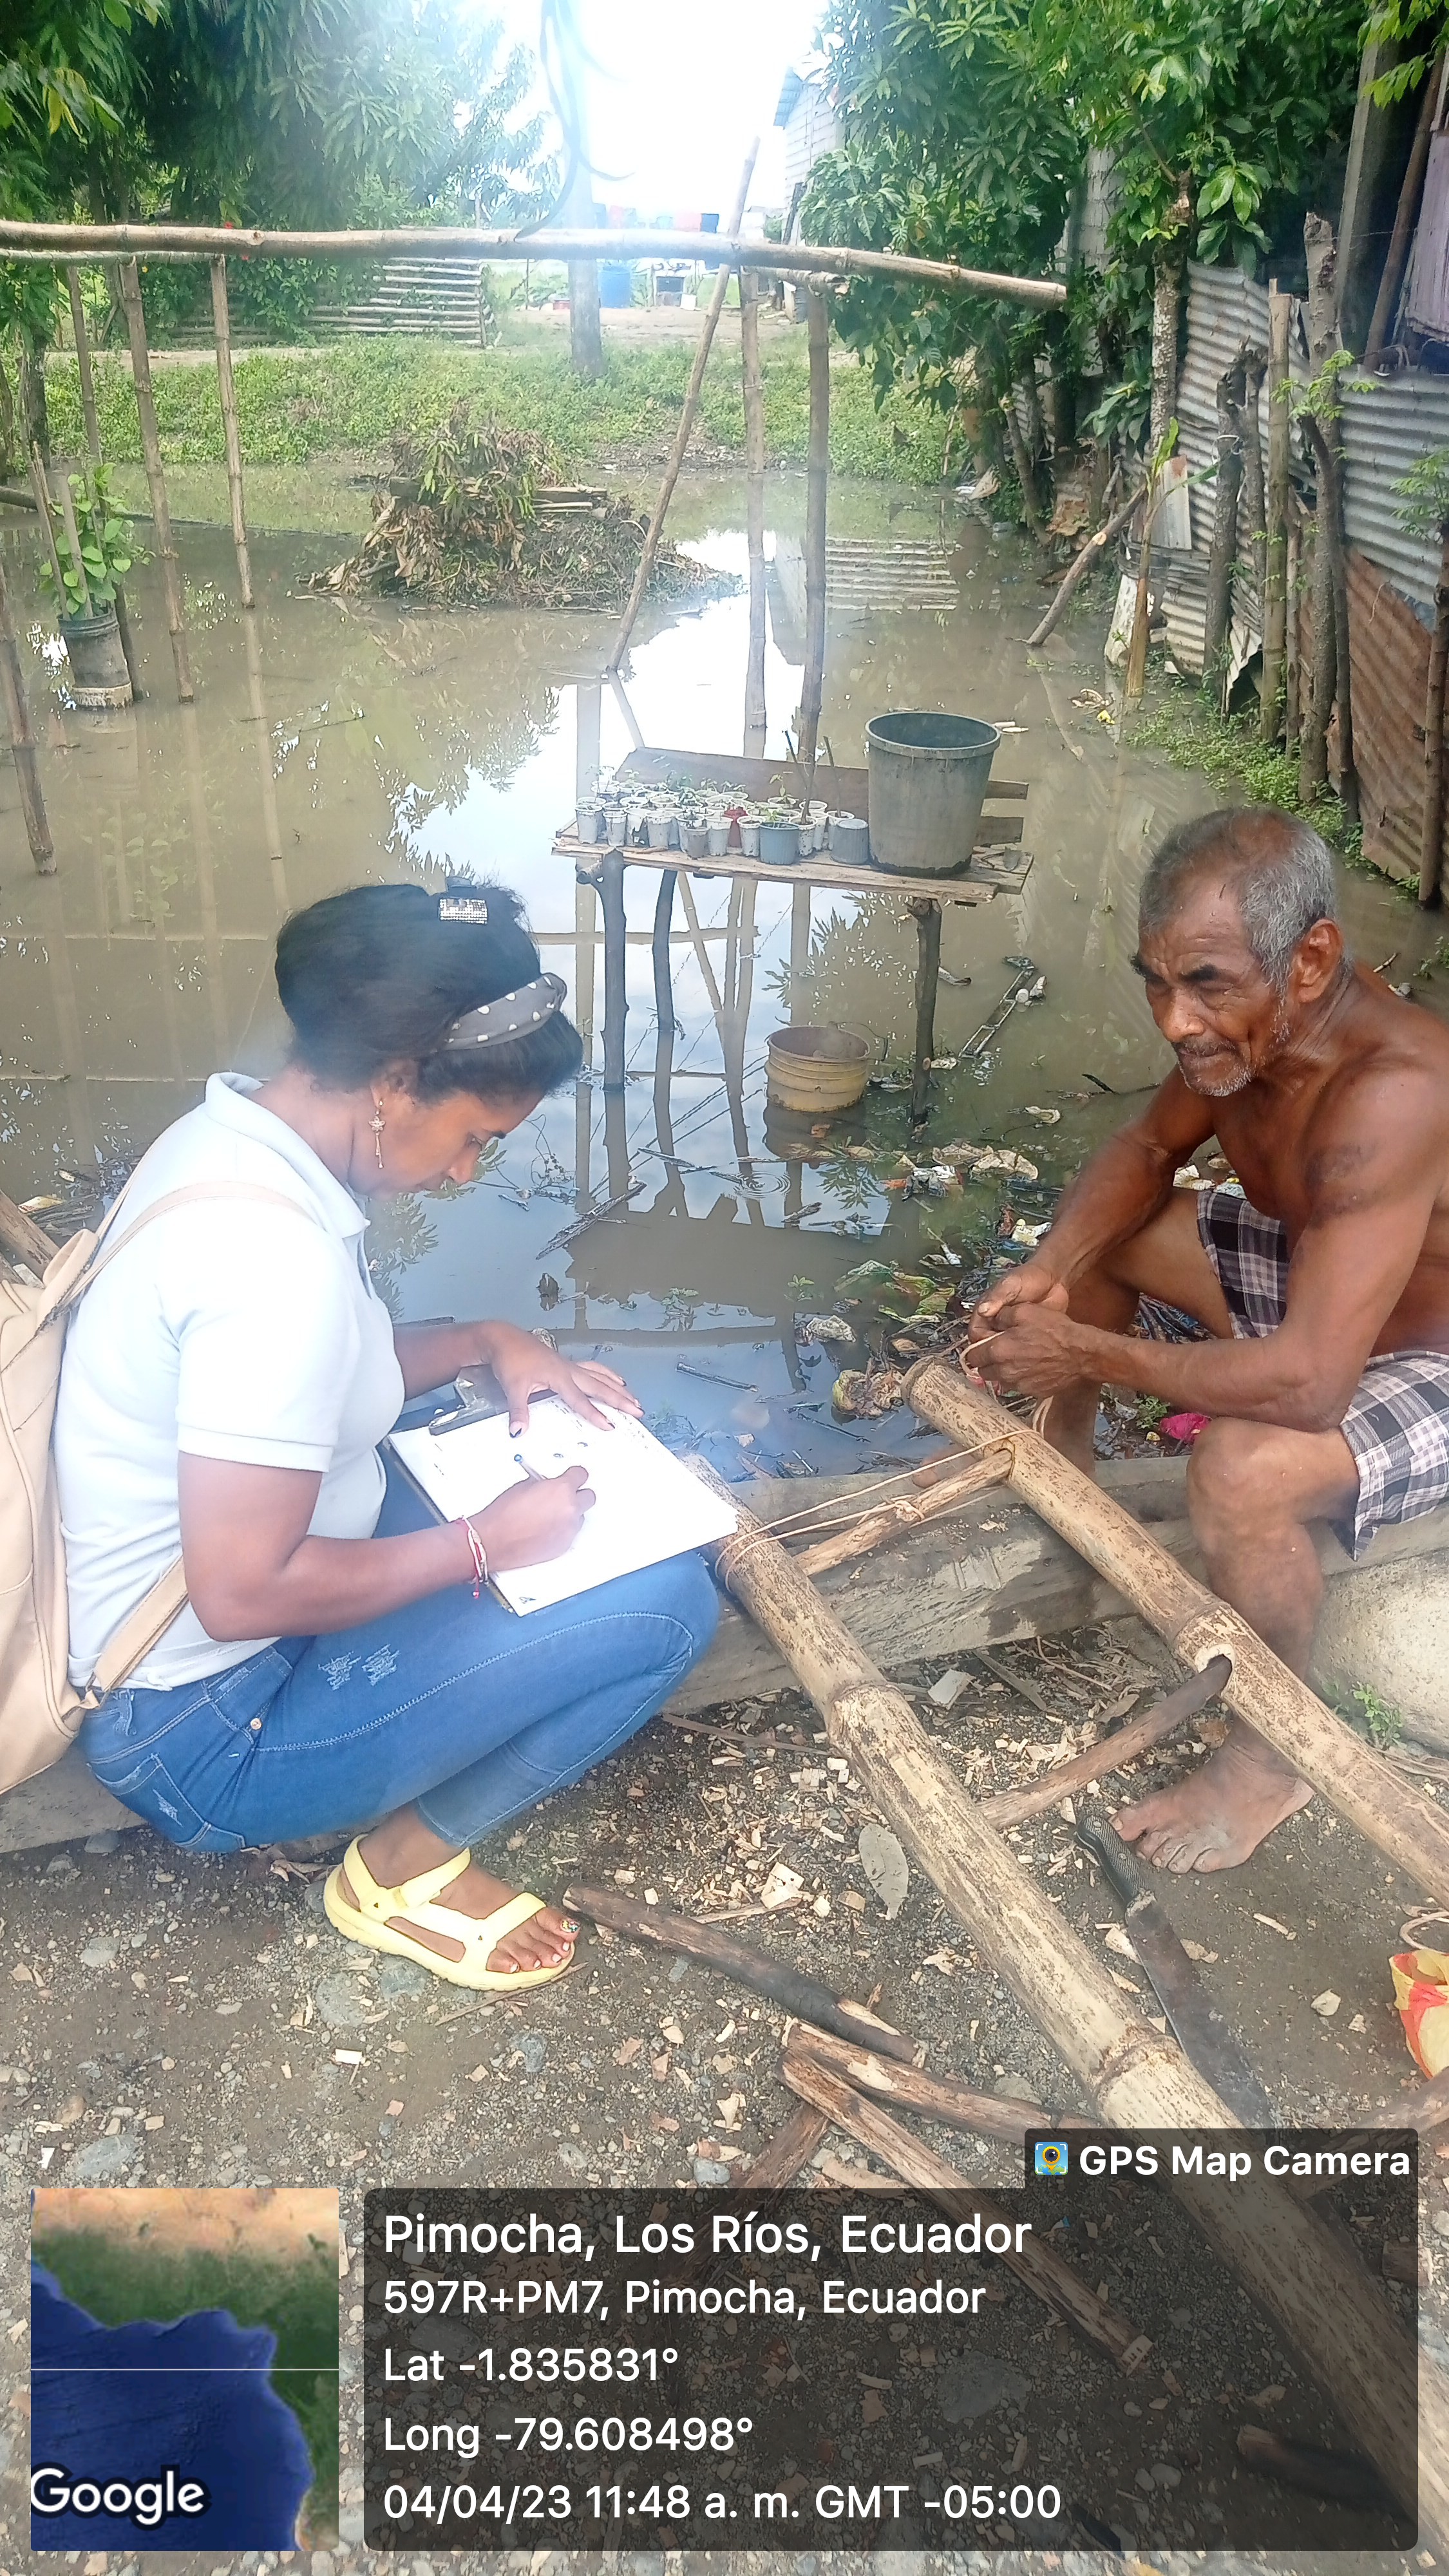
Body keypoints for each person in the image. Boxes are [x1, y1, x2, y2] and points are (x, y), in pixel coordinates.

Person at [58, 880, 718, 1989]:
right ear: (397, 1082)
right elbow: (242, 1593)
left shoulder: (231, 1145)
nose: (464, 1173)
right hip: (204, 1727)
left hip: (201, 1624)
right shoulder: (270, 1267)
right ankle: (397, 1875)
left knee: (530, 1488)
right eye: (472, 1140)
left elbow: (320, 1381)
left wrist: (485, 1340)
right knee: (669, 1609)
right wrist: (487, 1544)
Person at [969, 806, 1449, 1873]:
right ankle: (1064, 1470)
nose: (1175, 1022)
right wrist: (1052, 1269)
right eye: (1155, 983)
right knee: (1107, 1234)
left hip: (1429, 1357)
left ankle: (1273, 1753)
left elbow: (1310, 1384)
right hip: (1326, 1290)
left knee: (1239, 1470)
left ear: (1309, 960)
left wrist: (1084, 1352)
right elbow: (1145, 1149)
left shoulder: (1396, 1090)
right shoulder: (1241, 1036)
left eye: (1205, 985)